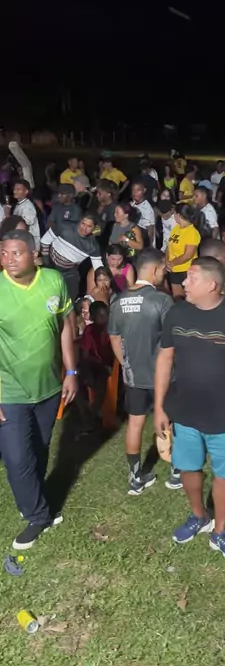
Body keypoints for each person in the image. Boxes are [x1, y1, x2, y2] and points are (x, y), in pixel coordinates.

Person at [154, 257, 225, 559]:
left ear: (212, 284)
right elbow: (165, 358)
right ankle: (199, 515)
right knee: (188, 467)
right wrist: (160, 406)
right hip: (186, 410)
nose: (183, 282)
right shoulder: (177, 313)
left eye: (191, 278)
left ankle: (220, 531)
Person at [0, 229, 77, 550]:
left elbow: (66, 325)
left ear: (34, 255)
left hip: (48, 387)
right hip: (8, 390)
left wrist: (70, 371)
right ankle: (38, 515)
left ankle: (35, 500)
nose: (8, 259)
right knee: (17, 457)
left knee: (40, 448)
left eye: (16, 253)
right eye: (3, 253)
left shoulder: (53, 280)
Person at [109, 249, 175, 494]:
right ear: (155, 269)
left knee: (135, 424)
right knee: (170, 421)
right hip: (163, 375)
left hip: (134, 375)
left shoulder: (118, 301)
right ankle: (176, 472)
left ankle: (135, 477)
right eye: (163, 269)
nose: (164, 274)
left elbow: (114, 338)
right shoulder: (162, 300)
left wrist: (125, 363)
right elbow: (172, 339)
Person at [41, 215, 103, 300]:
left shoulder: (93, 246)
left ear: (94, 228)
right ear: (79, 221)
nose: (84, 228)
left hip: (69, 273)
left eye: (89, 226)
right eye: (83, 223)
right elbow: (44, 241)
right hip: (50, 265)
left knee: (70, 298)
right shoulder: (64, 226)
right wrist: (46, 264)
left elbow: (98, 268)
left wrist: (103, 281)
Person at [79, 300, 113, 419]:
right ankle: (84, 407)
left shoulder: (111, 329)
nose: (104, 317)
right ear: (93, 317)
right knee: (81, 374)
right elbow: (86, 350)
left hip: (105, 364)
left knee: (101, 379)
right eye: (100, 315)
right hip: (90, 362)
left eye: (105, 314)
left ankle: (95, 409)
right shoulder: (89, 330)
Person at [166, 203, 201, 299]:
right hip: (174, 269)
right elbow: (169, 246)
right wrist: (167, 261)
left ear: (178, 215)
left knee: (190, 298)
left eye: (174, 214)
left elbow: (188, 255)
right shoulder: (176, 228)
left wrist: (171, 263)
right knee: (177, 298)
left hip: (186, 270)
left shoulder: (192, 232)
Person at [13, 179, 41, 250]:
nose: (14, 191)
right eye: (14, 189)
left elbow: (26, 224)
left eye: (18, 189)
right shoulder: (19, 204)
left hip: (29, 242)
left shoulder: (28, 206)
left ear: (26, 192)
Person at [131, 181, 156, 246]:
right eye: (133, 190)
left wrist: (149, 248)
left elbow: (150, 232)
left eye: (138, 190)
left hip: (143, 244)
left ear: (144, 190)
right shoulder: (133, 203)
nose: (135, 193)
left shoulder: (147, 209)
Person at [94, 180, 117, 247]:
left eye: (100, 193)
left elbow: (107, 231)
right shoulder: (103, 204)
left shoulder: (113, 210)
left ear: (108, 194)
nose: (97, 195)